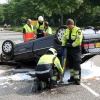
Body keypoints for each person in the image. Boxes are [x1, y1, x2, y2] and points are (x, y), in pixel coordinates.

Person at [62, 18, 83, 85]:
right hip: (69, 49)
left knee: (76, 63)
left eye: (69, 26)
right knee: (70, 63)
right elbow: (64, 38)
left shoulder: (78, 30)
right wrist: (63, 45)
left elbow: (78, 40)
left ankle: (77, 79)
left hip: (76, 49)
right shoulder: (67, 30)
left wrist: (71, 45)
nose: (69, 28)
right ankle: (72, 77)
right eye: (67, 26)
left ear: (72, 25)